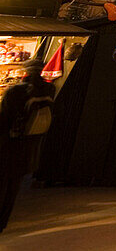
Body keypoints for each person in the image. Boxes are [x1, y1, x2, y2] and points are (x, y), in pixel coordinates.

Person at [0, 58, 54, 233]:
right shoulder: (49, 89)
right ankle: (2, 221)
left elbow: (4, 119)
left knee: (1, 182)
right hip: (29, 145)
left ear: (26, 71)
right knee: (13, 186)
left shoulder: (16, 91)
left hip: (8, 143)